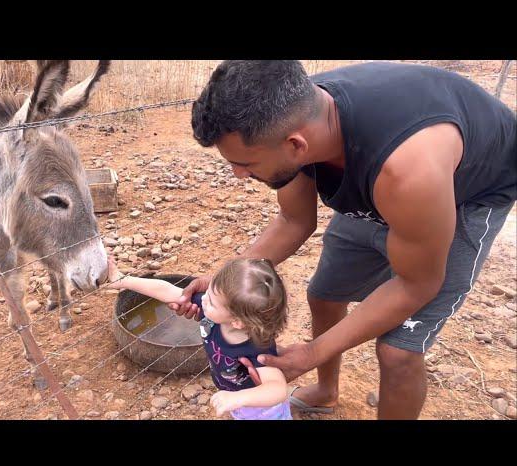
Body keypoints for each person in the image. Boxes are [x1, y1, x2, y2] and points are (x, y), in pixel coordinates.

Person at [169, 60, 516, 419]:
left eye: (245, 163)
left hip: (469, 192)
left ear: (296, 145)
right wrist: (225, 278)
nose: (238, 175)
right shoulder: (290, 116)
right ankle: (326, 392)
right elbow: (294, 220)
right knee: (325, 295)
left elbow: (417, 284)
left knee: (398, 351)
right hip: (379, 180)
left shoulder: (408, 172)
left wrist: (312, 352)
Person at [108, 256, 292, 419]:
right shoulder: (214, 309)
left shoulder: (257, 347)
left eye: (211, 300)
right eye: (209, 291)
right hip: (236, 401)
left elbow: (277, 388)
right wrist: (124, 280)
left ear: (237, 322)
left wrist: (238, 398)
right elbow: (167, 291)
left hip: (263, 411)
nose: (203, 299)